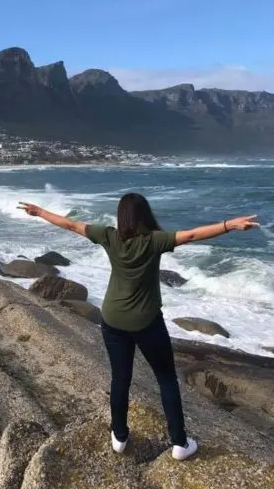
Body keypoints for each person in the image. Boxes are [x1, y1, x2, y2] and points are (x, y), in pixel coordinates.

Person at [18, 193, 260, 461]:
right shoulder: (154, 241)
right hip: (146, 322)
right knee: (166, 378)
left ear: (121, 217)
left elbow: (71, 225)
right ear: (145, 215)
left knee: (121, 378)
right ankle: (180, 443)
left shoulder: (109, 236)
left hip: (112, 320)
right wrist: (229, 225)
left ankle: (119, 436)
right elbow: (192, 235)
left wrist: (39, 212)